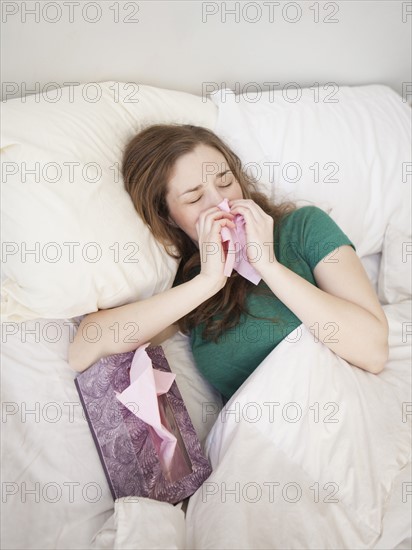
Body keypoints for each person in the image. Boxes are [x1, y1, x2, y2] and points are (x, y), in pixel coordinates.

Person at [68, 124, 389, 402]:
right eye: (194, 198)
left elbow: (373, 351)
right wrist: (207, 281)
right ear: (168, 216)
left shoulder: (303, 228)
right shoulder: (191, 287)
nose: (221, 203)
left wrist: (268, 266)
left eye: (225, 182)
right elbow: (85, 349)